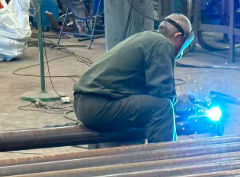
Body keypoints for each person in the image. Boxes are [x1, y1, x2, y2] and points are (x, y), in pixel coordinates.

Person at [74, 14, 194, 144]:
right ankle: (164, 155)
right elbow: (161, 92)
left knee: (145, 109)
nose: (181, 53)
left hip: (84, 104)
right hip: (99, 107)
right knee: (163, 108)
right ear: (177, 36)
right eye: (184, 46)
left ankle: (132, 153)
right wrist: (179, 104)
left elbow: (148, 93)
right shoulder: (163, 43)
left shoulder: (146, 37)